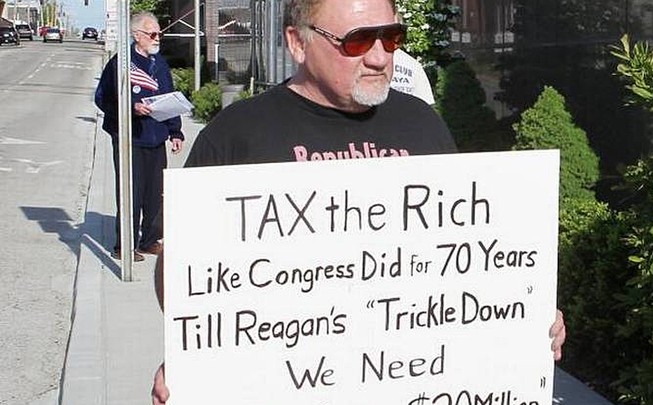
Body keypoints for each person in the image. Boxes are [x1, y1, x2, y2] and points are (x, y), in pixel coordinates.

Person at [151, 0, 566, 402]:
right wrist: (197, 358)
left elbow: (462, 261)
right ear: (298, 42)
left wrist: (523, 316)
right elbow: (187, 276)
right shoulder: (235, 137)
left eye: (391, 37)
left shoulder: (422, 126)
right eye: (358, 41)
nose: (380, 57)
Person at [95, 12, 184, 261]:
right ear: (137, 35)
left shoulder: (160, 65)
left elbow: (169, 97)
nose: (158, 38)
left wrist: (175, 131)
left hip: (156, 137)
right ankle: (125, 245)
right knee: (130, 193)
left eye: (159, 33)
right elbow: (103, 98)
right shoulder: (120, 63)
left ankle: (150, 240)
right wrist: (131, 108)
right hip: (129, 138)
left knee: (155, 193)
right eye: (153, 34)